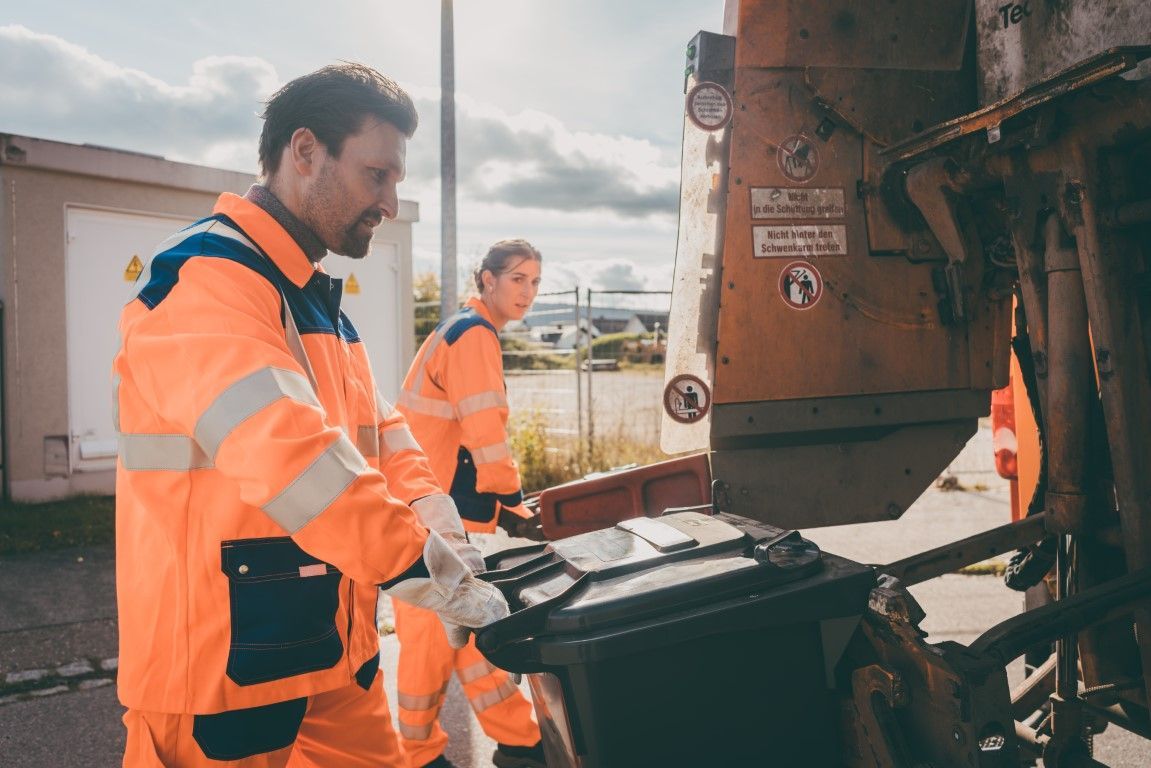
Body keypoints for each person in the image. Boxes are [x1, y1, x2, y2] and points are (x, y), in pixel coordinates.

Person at [113, 63, 508, 767]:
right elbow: (292, 456)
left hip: (332, 655)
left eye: (395, 181)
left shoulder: (308, 294)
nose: (389, 201)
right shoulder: (208, 280)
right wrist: (424, 568)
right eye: (376, 175)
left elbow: (380, 431)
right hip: (222, 676)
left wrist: (433, 514)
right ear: (305, 152)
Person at [394, 240, 546, 768]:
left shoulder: (461, 328)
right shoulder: (474, 335)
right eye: (517, 279)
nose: (527, 291)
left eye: (534, 281)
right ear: (487, 280)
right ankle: (417, 754)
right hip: (429, 513)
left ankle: (521, 740)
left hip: (434, 506)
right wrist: (515, 503)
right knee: (431, 639)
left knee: (479, 622)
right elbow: (486, 429)